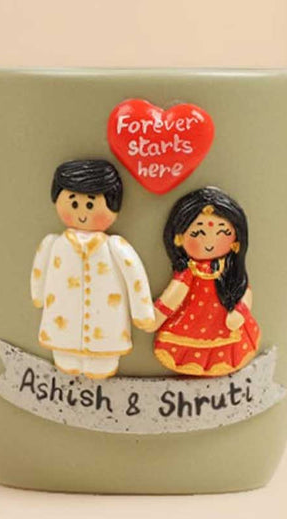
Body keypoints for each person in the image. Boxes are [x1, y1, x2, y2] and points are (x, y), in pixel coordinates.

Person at [30, 159, 155, 379]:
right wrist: (38, 296)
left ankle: (101, 365)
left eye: (90, 205)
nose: (82, 213)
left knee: (103, 362)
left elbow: (134, 277)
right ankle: (67, 360)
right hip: (63, 318)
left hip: (106, 321)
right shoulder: (53, 244)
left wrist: (142, 312)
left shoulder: (115, 246)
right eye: (73, 204)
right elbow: (39, 272)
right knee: (64, 355)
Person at [149, 187, 260, 376]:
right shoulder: (189, 271)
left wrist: (240, 311)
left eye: (222, 232)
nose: (209, 242)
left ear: (236, 240)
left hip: (224, 328)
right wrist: (156, 317)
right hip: (190, 326)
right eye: (197, 233)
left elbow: (244, 290)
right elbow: (174, 296)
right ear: (178, 238)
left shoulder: (230, 270)